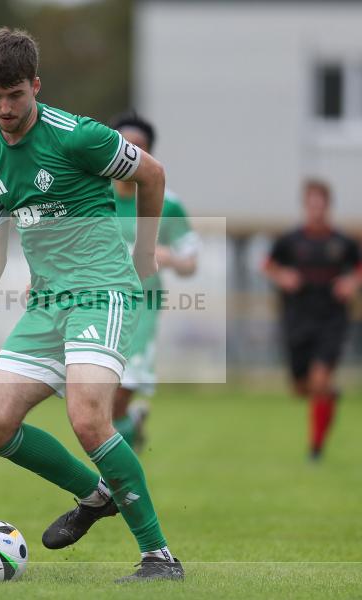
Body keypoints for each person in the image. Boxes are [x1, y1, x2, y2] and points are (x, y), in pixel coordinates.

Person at [0, 28, 184, 582]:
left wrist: (142, 250)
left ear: (35, 85)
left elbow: (152, 174)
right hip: (46, 304)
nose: (5, 108)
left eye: (15, 95)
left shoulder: (77, 136)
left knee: (88, 417)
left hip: (102, 291)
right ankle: (96, 495)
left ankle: (159, 557)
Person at [110, 112, 199, 451]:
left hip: (142, 309)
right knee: (96, 403)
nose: (131, 155)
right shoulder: (92, 194)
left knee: (119, 393)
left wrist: (168, 255)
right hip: (95, 306)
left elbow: (190, 262)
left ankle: (120, 484)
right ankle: (129, 430)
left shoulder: (168, 203)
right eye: (124, 147)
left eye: (140, 148)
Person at [263, 179, 362, 461]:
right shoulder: (290, 241)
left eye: (321, 203)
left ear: (328, 206)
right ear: (305, 205)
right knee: (300, 388)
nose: (316, 209)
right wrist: (282, 276)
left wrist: (351, 283)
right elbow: (268, 265)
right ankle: (328, 396)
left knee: (320, 379)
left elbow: (361, 269)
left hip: (332, 319)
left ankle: (316, 449)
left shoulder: (343, 242)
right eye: (312, 203)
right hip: (298, 318)